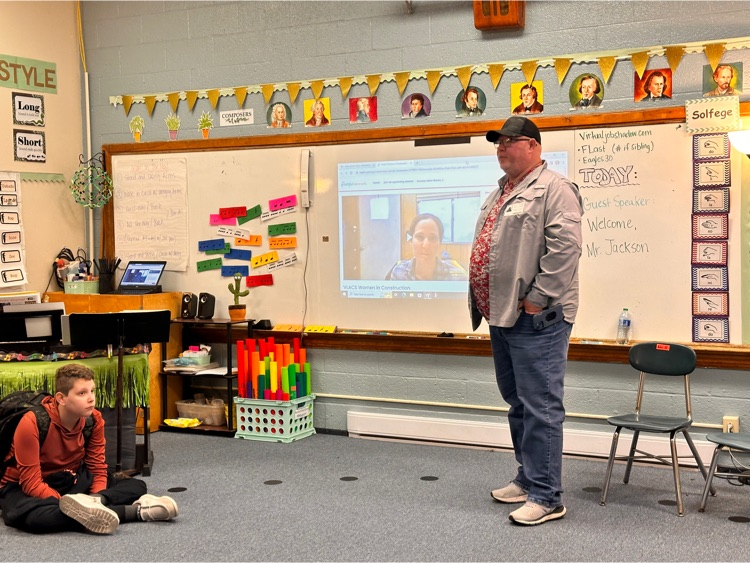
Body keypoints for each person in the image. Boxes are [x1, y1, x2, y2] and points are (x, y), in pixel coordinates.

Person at [469, 116, 583, 526]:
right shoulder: (502, 191)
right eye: (498, 142)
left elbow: (565, 250)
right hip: (502, 316)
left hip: (537, 319)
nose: (501, 147)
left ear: (534, 147)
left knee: (541, 406)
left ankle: (548, 496)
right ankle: (528, 478)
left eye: (510, 141)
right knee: (517, 401)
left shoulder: (556, 189)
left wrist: (537, 299)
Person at [0, 364, 178, 535]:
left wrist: (96, 498)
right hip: (23, 485)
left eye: (92, 391)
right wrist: (66, 504)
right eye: (82, 393)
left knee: (136, 485)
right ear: (61, 398)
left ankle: (95, 506)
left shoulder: (94, 419)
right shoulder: (31, 422)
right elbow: (31, 483)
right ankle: (136, 512)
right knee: (36, 519)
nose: (91, 398)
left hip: (70, 478)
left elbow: (97, 467)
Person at [386, 213, 468, 281]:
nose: (426, 245)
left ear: (440, 242)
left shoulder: (458, 278)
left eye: (433, 238)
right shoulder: (398, 272)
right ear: (411, 241)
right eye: (420, 237)